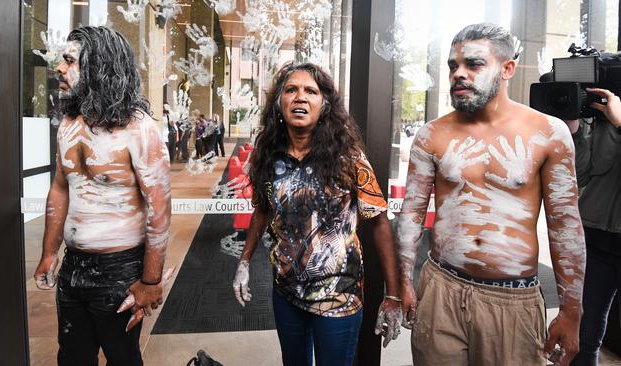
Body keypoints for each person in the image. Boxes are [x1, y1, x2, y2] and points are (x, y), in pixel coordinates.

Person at [395, 23, 586, 366]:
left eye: (474, 64)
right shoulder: (431, 135)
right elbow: (410, 215)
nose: (459, 74)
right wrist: (403, 284)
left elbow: (566, 228)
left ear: (507, 68)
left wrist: (572, 310)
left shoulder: (548, 133)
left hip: (512, 301)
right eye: (454, 66)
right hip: (441, 289)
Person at [231, 62, 402, 366]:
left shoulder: (348, 157)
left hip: (339, 296)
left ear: (324, 105)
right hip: (286, 292)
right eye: (291, 90)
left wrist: (394, 295)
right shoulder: (269, 155)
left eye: (311, 91)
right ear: (279, 102)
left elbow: (379, 222)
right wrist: (244, 261)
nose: (300, 97)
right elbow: (262, 208)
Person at [33, 26, 171, 365]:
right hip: (74, 266)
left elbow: (159, 208)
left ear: (99, 66)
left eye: (69, 61)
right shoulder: (68, 124)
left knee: (122, 357)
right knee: (72, 357)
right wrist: (50, 253)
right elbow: (60, 187)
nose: (60, 69)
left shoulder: (139, 129)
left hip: (120, 270)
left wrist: (150, 281)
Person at [568, 87, 621, 365]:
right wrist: (576, 132)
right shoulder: (601, 112)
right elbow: (581, 173)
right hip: (595, 239)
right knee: (584, 333)